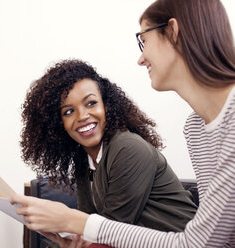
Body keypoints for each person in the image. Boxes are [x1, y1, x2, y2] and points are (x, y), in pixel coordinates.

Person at [11, 0, 235, 247]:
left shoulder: (230, 120)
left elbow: (201, 244)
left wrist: (75, 222)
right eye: (68, 111)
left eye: (143, 40)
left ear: (172, 32)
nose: (141, 59)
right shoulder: (195, 129)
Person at [18, 59, 197, 247]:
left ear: (107, 106)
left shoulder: (128, 148)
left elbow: (111, 230)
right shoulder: (83, 159)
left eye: (91, 103)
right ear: (57, 124)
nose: (82, 116)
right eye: (69, 111)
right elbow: (89, 224)